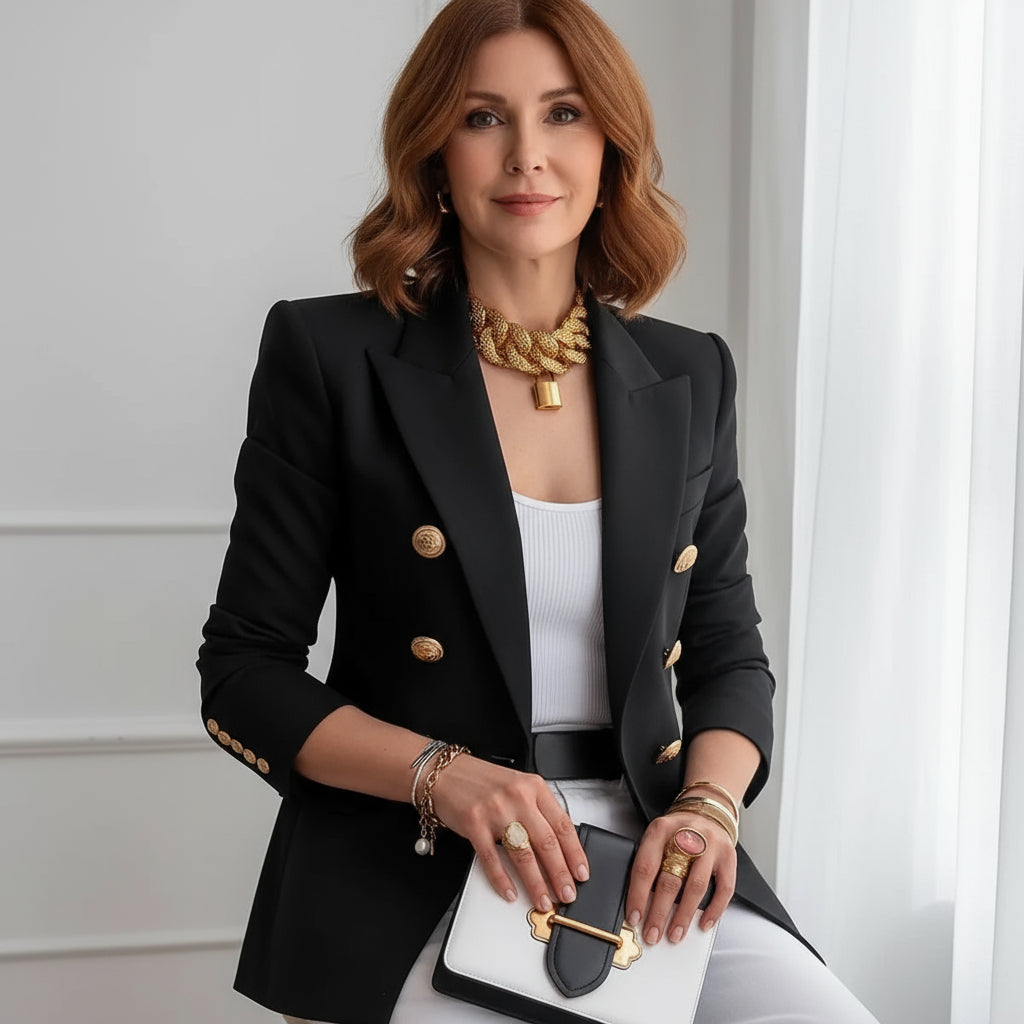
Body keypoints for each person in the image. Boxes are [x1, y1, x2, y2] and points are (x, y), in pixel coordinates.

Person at [197, 1, 878, 1021]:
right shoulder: (330, 355)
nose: (527, 154)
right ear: (435, 153)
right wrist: (444, 776)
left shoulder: (690, 372)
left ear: (610, 147)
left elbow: (730, 657)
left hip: (646, 862)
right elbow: (244, 670)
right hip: (416, 857)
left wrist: (707, 807)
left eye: (564, 114)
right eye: (483, 118)